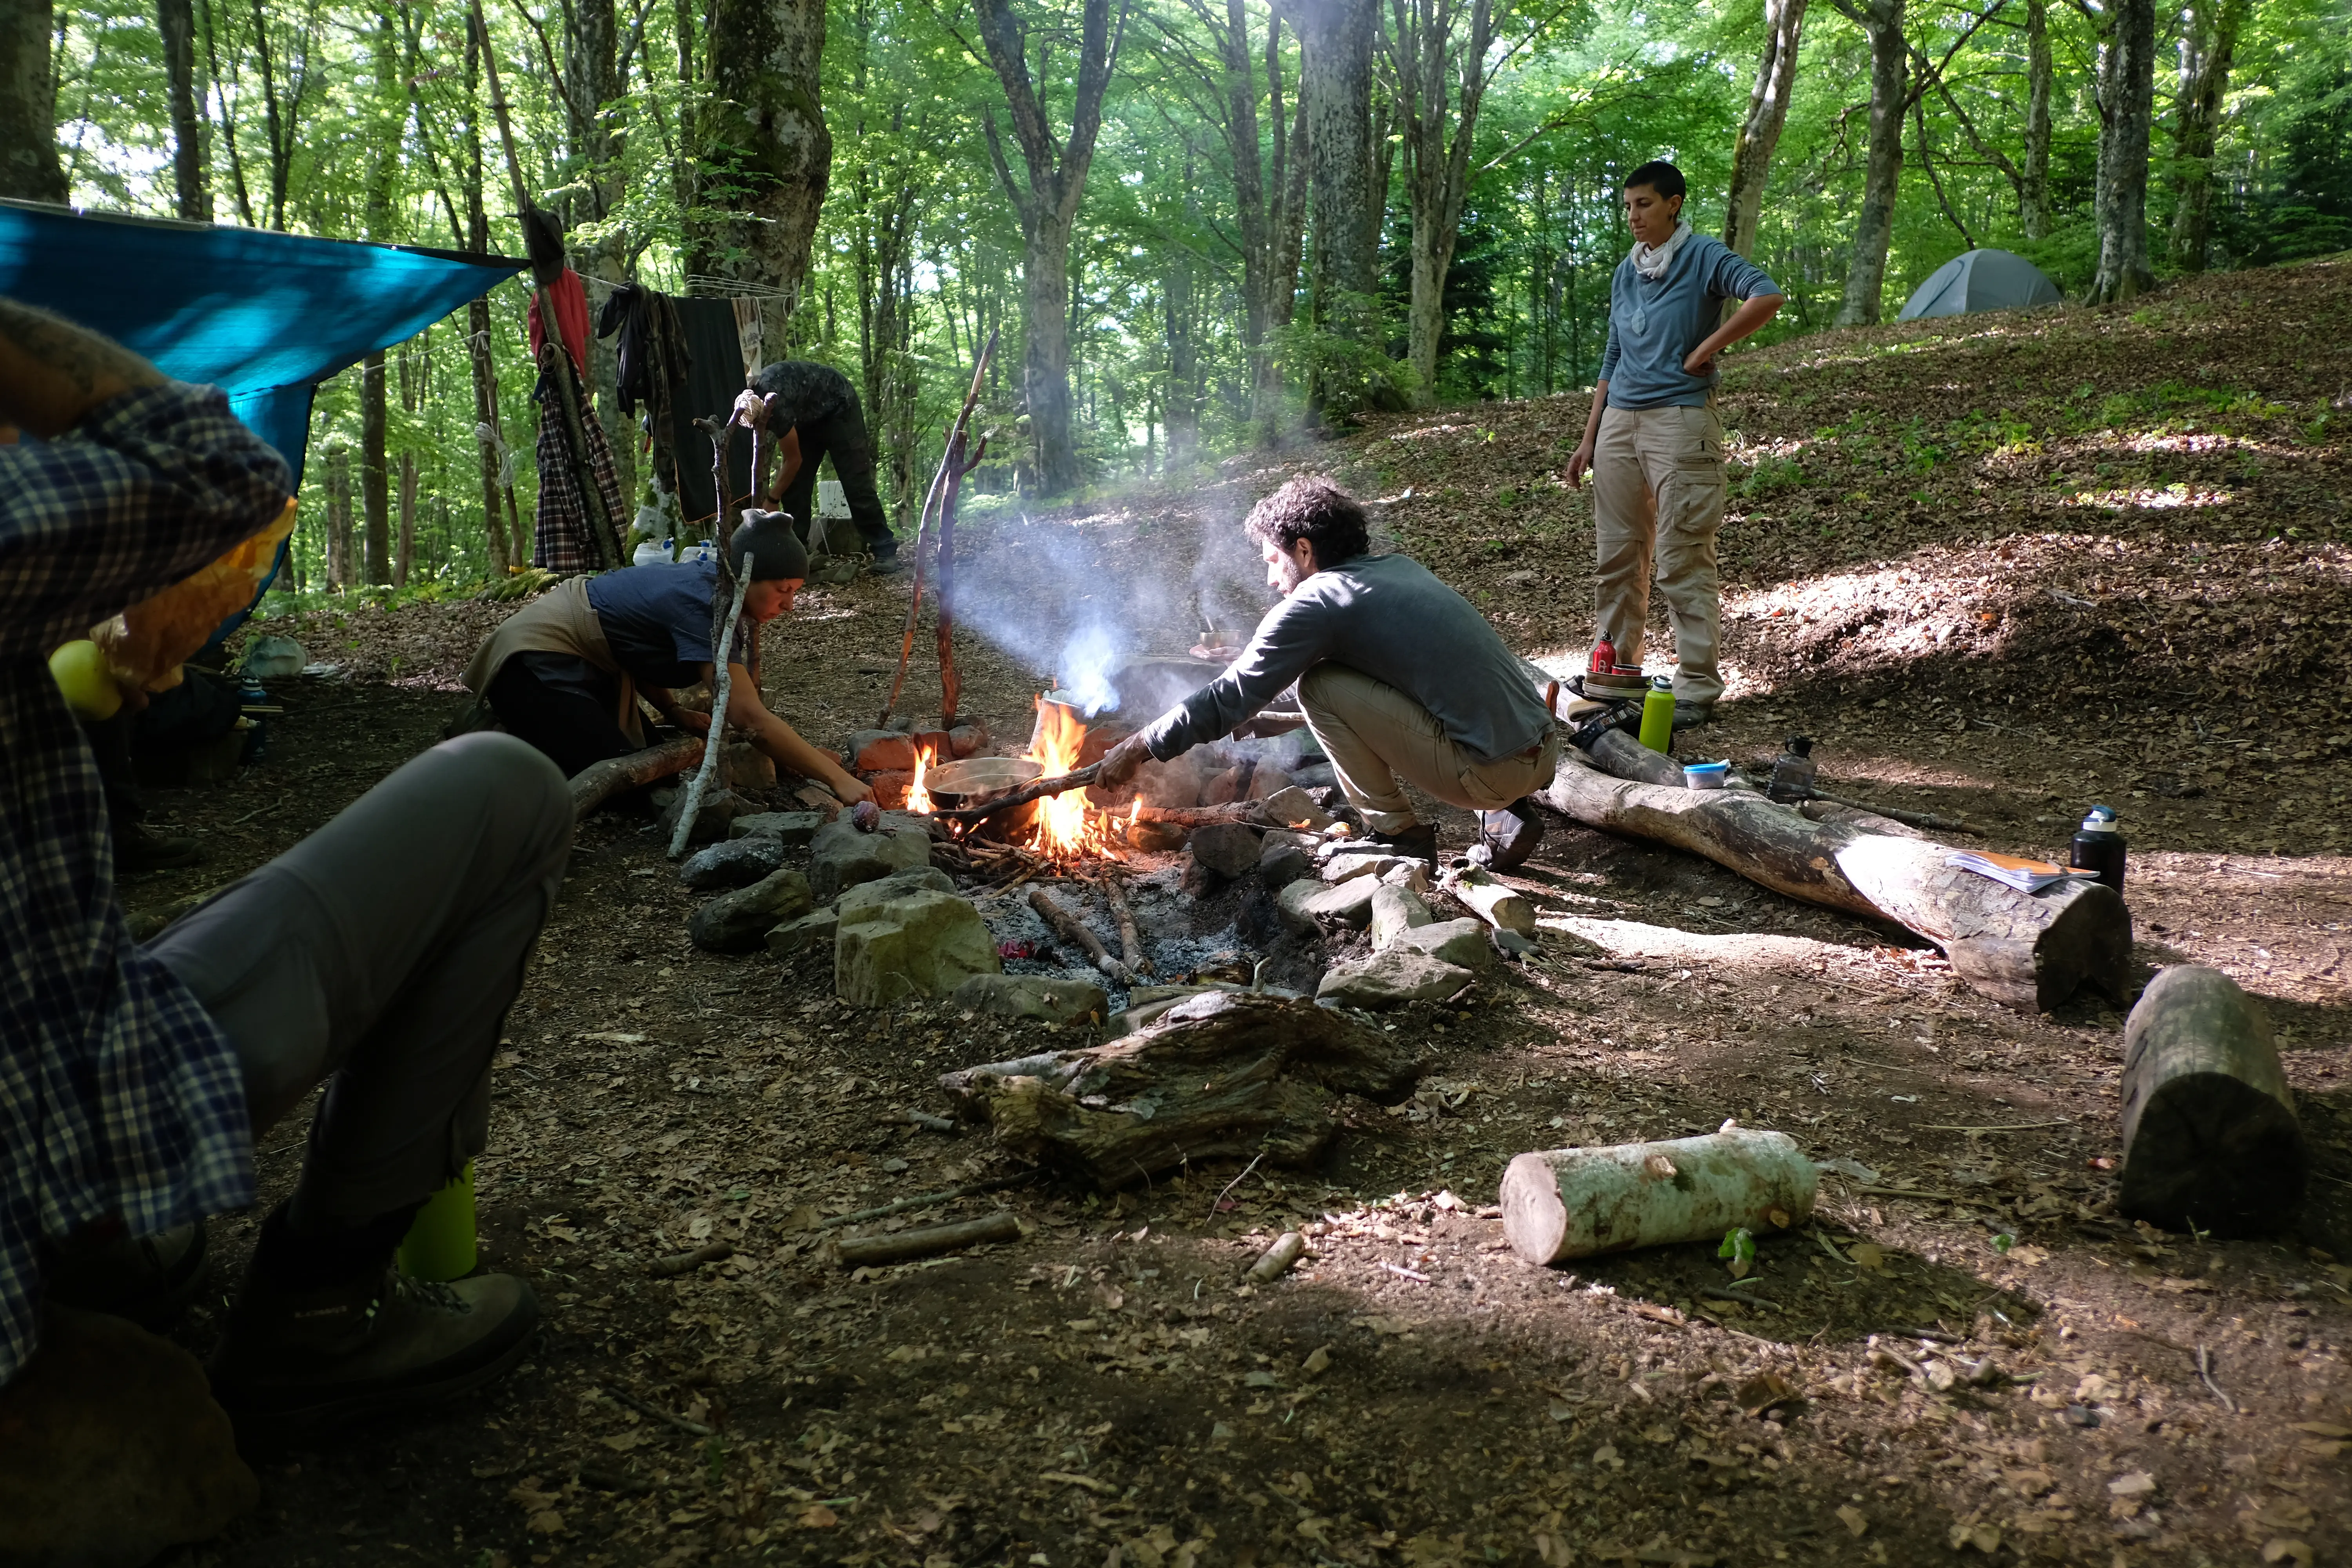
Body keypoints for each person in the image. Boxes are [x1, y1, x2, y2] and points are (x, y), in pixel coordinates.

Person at [0, 297, 570, 1438]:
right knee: (507, 786)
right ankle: (317, 1299)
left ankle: (125, 1260)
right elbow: (221, 467)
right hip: (43, 1123)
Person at [1093, 476, 1559, 869]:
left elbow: (1228, 696)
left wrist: (1139, 746)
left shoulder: (1317, 600)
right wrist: (1266, 706)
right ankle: (1505, 814)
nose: (1272, 580)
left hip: (1491, 771)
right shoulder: (1396, 570)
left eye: (1273, 562)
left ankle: (1398, 835)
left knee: (1320, 688)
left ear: (1303, 549)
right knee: (1340, 683)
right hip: (1539, 752)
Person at [1561, 160, 1784, 728]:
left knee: (1682, 556)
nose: (1633, 215)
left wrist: (1703, 350)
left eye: (1644, 204)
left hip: (1680, 420)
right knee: (1617, 556)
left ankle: (1696, 686)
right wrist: (1589, 437)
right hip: (1619, 425)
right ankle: (1615, 673)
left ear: (1674, 203)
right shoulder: (1626, 271)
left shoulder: (1705, 256)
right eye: (1629, 205)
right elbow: (1613, 355)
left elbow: (1765, 294)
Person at [462, 510, 875, 806]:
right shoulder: (707, 603)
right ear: (746, 577)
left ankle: (533, 730)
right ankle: (497, 738)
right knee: (628, 781)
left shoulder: (720, 594)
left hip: (589, 665)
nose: (790, 606)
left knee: (649, 755)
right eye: (784, 589)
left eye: (795, 592)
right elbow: (748, 716)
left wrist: (672, 710)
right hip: (533, 661)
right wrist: (838, 780)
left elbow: (637, 644)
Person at [746, 358, 900, 570]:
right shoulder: (751, 397)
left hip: (840, 406)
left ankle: (885, 551)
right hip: (809, 417)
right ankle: (798, 554)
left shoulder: (774, 407)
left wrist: (773, 499)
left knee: (855, 483)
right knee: (796, 486)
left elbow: (793, 460)